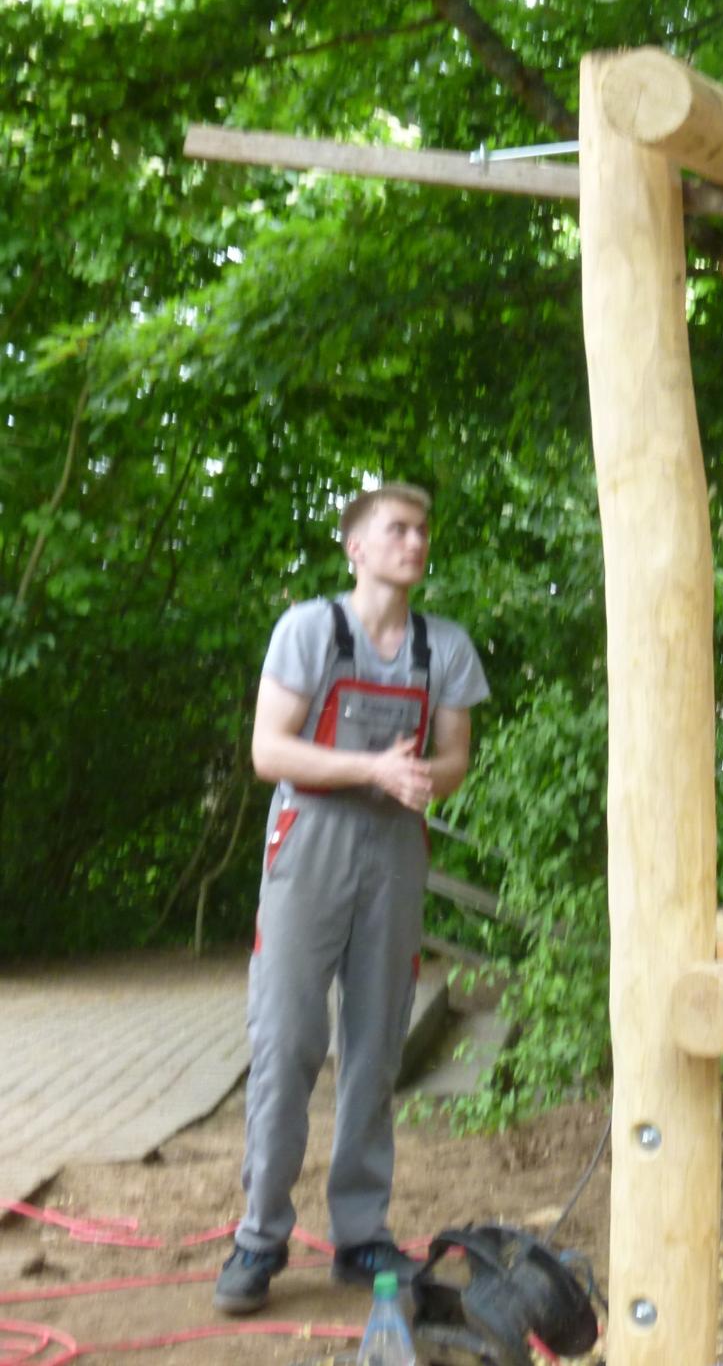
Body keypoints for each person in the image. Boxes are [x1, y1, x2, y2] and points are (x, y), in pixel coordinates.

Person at [215, 484, 490, 1314]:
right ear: (356, 549)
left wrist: (420, 778)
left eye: (421, 531)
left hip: (394, 847)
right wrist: (373, 769)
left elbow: (454, 761)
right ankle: (259, 1236)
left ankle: (361, 1235)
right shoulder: (310, 629)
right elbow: (270, 750)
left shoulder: (444, 647)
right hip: (310, 840)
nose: (413, 542)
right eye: (395, 530)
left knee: (375, 1044)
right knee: (289, 1039)